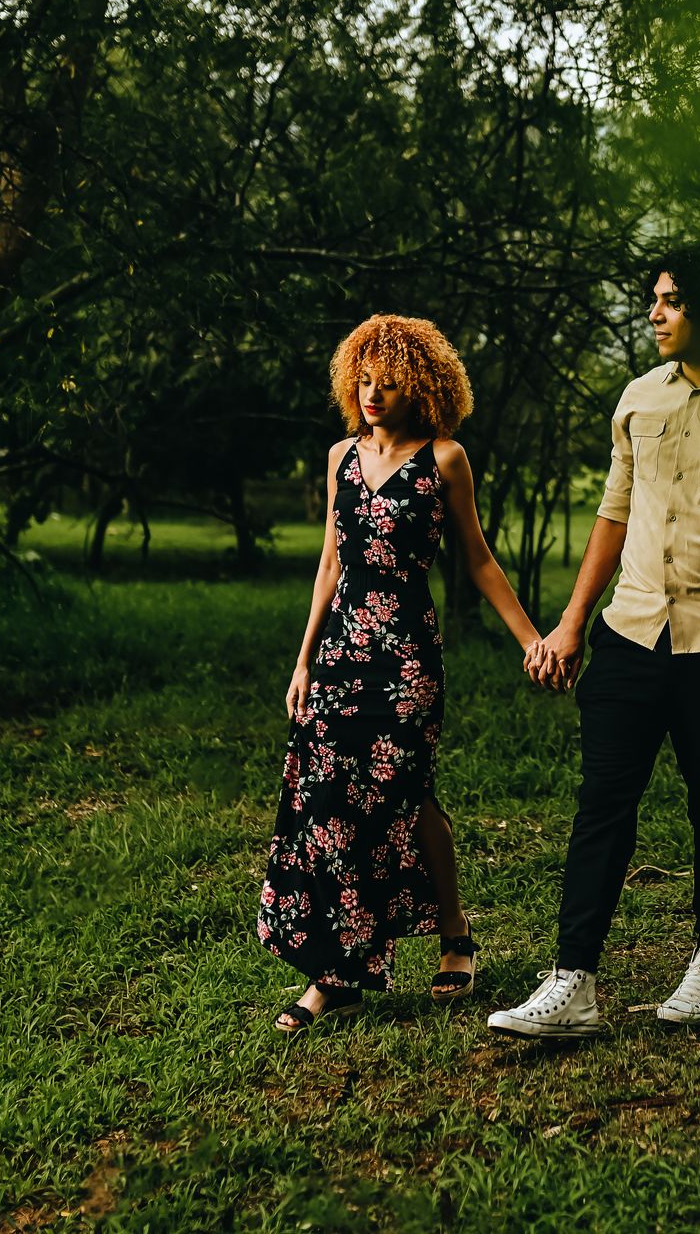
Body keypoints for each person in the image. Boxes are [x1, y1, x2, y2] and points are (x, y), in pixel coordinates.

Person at [488, 243, 700, 1040]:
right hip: (630, 637)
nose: (654, 313)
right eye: (655, 298)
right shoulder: (639, 399)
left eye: (669, 301)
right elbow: (613, 514)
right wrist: (572, 623)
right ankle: (574, 982)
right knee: (601, 804)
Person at [259, 314, 548, 1033]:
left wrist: (532, 639)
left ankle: (454, 933)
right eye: (363, 380)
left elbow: (477, 559)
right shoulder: (339, 457)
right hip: (339, 654)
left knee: (405, 797)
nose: (372, 394)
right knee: (329, 807)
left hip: (407, 657)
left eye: (388, 383)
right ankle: (336, 975)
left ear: (419, 385)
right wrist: (302, 661)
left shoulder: (444, 458)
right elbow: (330, 561)